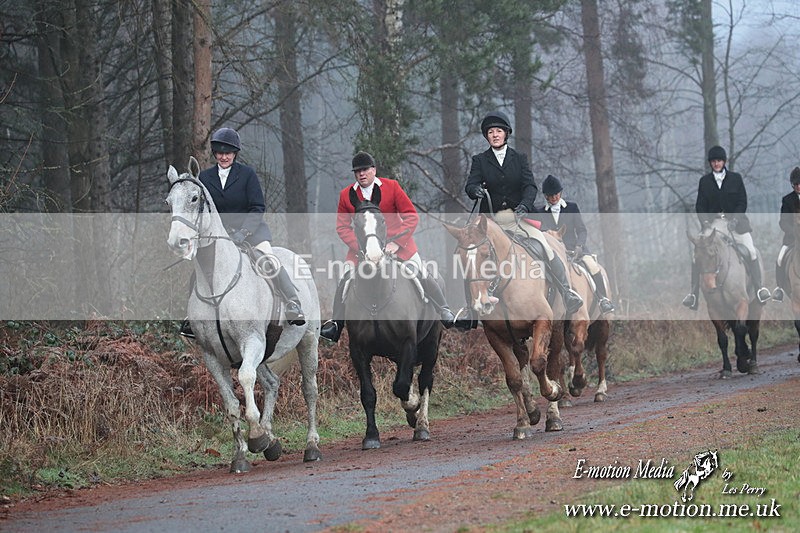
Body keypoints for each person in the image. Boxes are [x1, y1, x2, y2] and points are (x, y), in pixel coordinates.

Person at [180, 127, 306, 338]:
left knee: (268, 260)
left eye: (228, 153)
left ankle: (293, 302)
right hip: (219, 237)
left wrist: (244, 232)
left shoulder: (247, 174)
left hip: (252, 233)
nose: (223, 156)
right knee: (199, 270)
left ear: (235, 153)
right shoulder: (206, 178)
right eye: (220, 152)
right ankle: (191, 317)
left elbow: (257, 207)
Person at [319, 151, 456, 342]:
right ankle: (336, 324)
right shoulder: (346, 195)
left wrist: (396, 243)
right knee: (345, 278)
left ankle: (444, 310)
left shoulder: (392, 187)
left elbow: (411, 216)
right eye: (357, 171)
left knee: (421, 272)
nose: (361, 174)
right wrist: (359, 246)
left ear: (374, 170)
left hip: (399, 246)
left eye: (365, 170)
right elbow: (342, 227)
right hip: (362, 250)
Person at [461, 110, 583, 322]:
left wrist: (525, 206)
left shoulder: (519, 158)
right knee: (471, 254)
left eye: (499, 131)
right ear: (487, 136)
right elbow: (471, 184)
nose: (495, 135)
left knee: (544, 244)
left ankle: (567, 292)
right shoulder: (479, 160)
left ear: (506, 134)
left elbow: (529, 186)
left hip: (518, 218)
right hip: (491, 222)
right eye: (491, 132)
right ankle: (471, 310)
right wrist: (475, 191)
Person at [682, 145, 770, 310]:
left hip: (736, 224)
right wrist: (705, 223)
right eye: (714, 161)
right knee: (697, 255)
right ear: (710, 163)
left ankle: (759, 289)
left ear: (724, 162)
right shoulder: (705, 181)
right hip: (714, 224)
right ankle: (693, 294)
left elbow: (742, 201)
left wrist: (735, 219)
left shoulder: (736, 178)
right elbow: (700, 205)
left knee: (751, 250)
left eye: (719, 161)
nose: (716, 164)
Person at [537, 174, 615, 315]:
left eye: (556, 194)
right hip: (552, 253)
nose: (554, 197)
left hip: (575, 250)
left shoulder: (572, 207)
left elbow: (581, 230)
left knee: (593, 266)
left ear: (560, 193)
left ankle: (603, 299)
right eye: (551, 195)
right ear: (545, 196)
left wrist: (579, 246)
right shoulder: (540, 212)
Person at [773, 167, 800, 302]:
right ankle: (780, 288)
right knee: (780, 258)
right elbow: (783, 221)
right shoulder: (787, 200)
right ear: (792, 185)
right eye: (796, 184)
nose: (799, 186)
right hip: (792, 239)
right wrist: (794, 233)